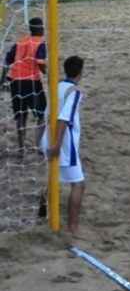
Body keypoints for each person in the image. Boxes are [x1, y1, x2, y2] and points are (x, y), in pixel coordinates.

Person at [45, 56, 85, 235]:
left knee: (53, 177)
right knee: (78, 184)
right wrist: (57, 145)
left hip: (47, 136)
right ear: (80, 73)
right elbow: (64, 119)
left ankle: (41, 214)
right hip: (63, 143)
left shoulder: (56, 86)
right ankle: (73, 227)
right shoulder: (74, 91)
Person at [1, 17, 47, 156]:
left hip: (16, 82)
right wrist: (48, 73)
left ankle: (21, 149)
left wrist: (2, 80)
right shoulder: (40, 43)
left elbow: (7, 61)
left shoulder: (20, 42)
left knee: (21, 116)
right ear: (41, 28)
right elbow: (40, 63)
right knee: (41, 114)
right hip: (32, 82)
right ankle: (39, 146)